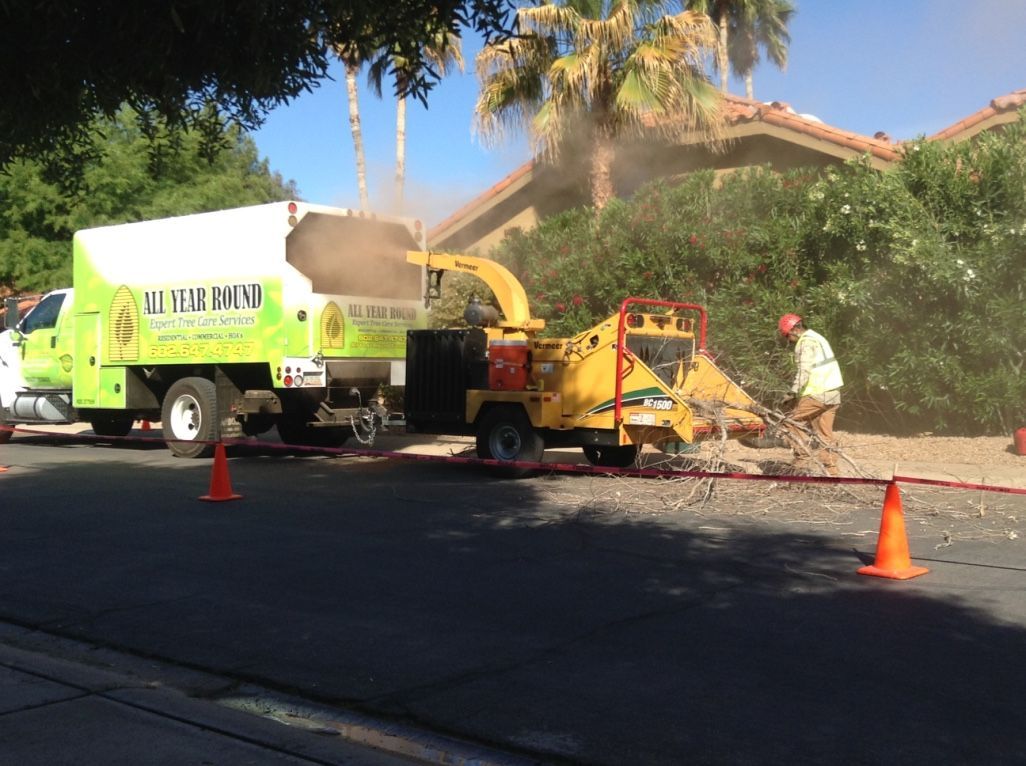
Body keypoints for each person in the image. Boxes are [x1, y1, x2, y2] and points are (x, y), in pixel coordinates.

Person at [777, 313, 844, 476]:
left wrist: (792, 392)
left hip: (817, 392)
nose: (788, 340)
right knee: (825, 434)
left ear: (794, 330)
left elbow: (804, 370)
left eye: (787, 336)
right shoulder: (817, 337)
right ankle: (832, 473)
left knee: (788, 420)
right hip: (833, 393)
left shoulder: (805, 342)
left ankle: (802, 457)